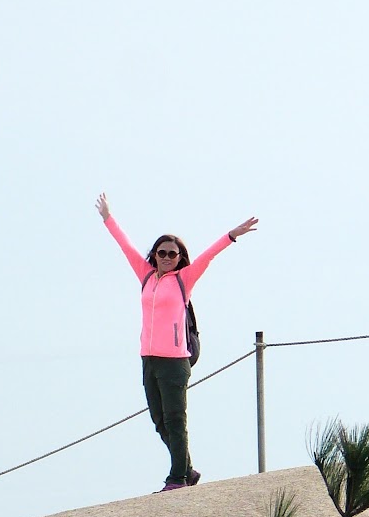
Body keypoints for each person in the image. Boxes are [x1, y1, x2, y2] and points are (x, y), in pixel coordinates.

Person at [96, 193, 258, 490]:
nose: (167, 257)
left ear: (180, 257)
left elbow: (208, 255)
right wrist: (108, 218)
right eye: (162, 252)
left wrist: (232, 235)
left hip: (174, 362)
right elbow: (125, 246)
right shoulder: (146, 276)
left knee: (175, 420)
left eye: (173, 254)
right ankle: (188, 470)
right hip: (149, 359)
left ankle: (178, 478)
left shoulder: (185, 279)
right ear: (155, 254)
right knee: (159, 420)